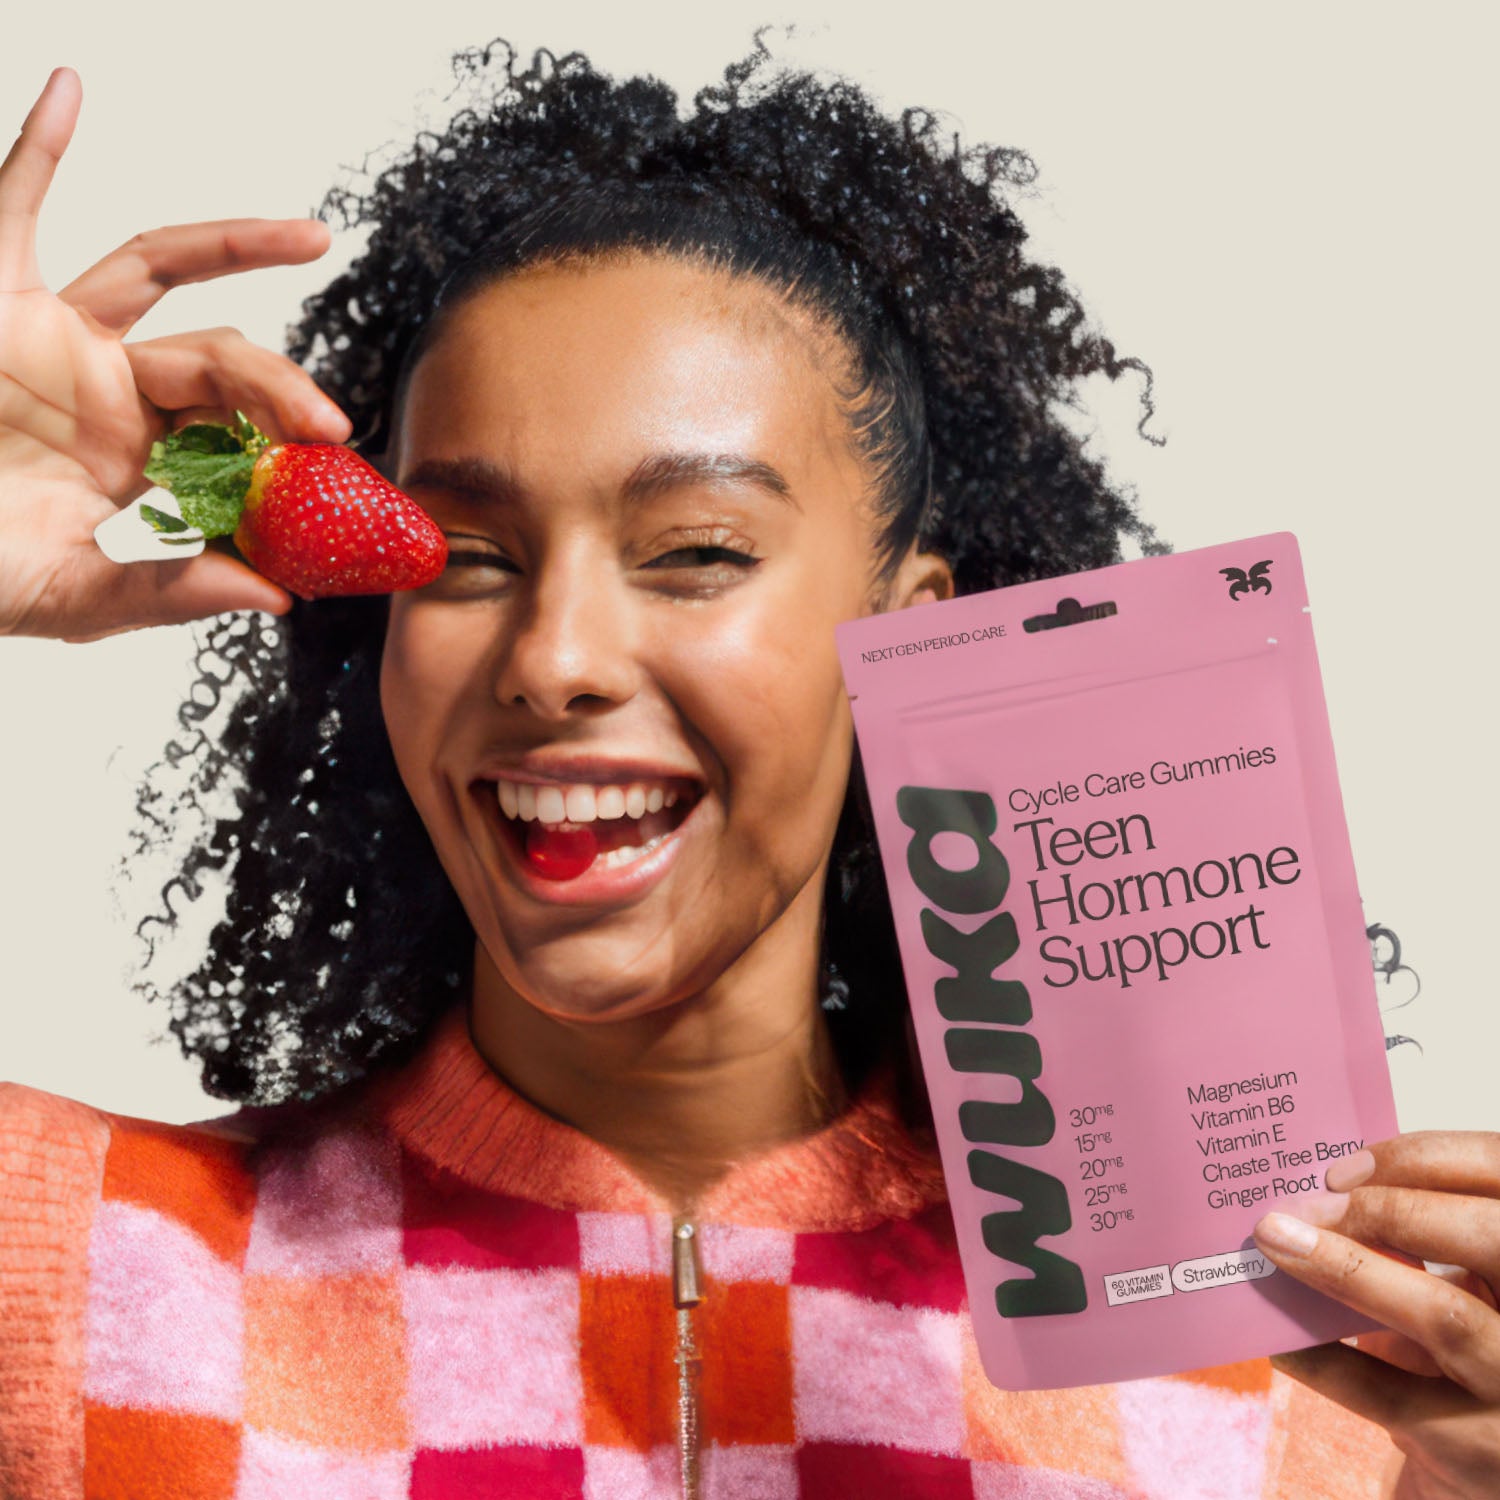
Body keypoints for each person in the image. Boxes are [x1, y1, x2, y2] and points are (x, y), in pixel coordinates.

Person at [2, 42, 1497, 1500]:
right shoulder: (70, 1265)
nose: (553, 656)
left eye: (697, 553)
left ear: (908, 636)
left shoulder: (1322, 1390)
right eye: (464, 557)